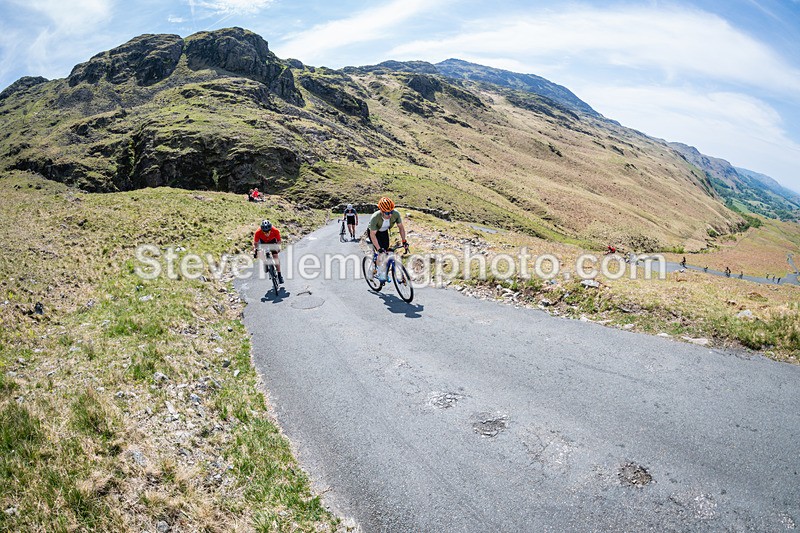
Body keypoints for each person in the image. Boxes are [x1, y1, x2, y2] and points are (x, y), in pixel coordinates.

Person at [367, 197, 408, 281]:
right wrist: (378, 249)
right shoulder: (375, 217)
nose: (390, 215)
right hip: (374, 233)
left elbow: (401, 228)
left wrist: (404, 241)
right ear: (382, 211)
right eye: (387, 213)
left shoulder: (396, 214)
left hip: (384, 232)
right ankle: (378, 271)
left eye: (391, 211)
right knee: (381, 253)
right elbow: (373, 235)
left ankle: (384, 270)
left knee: (387, 251)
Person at [253, 220, 283, 284]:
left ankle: (279, 275)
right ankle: (265, 262)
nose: (266, 233)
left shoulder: (275, 230)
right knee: (259, 252)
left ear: (270, 229)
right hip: (262, 242)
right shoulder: (258, 232)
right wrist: (255, 251)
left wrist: (278, 247)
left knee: (275, 257)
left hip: (272, 241)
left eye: (268, 232)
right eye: (264, 232)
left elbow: (279, 240)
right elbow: (255, 243)